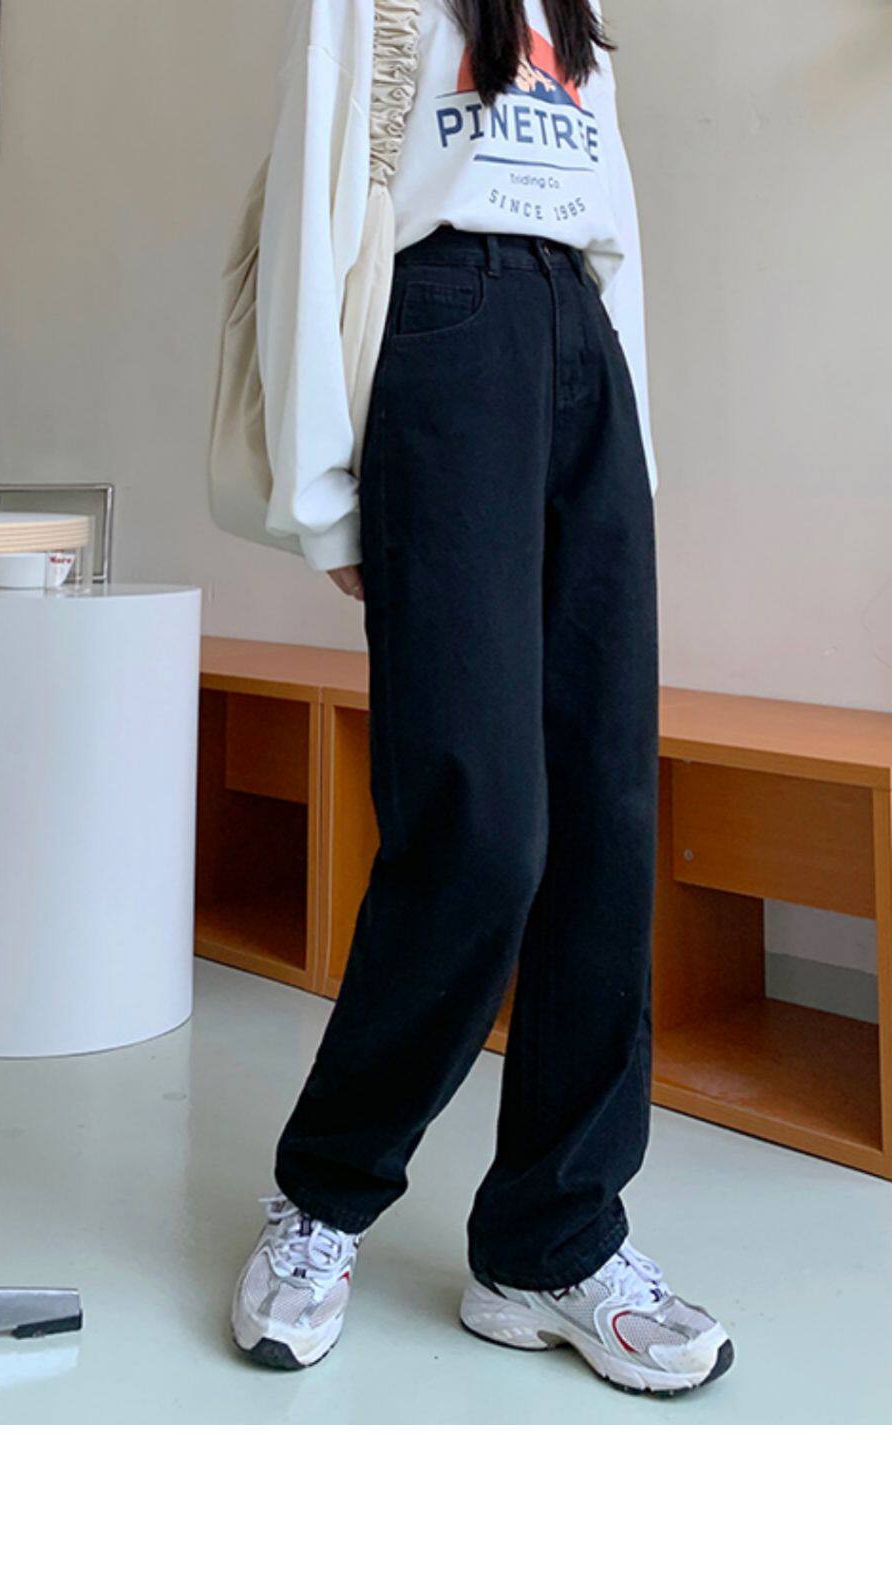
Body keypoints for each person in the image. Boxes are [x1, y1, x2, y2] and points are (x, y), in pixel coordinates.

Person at [231, 0, 732, 1396]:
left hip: (583, 353)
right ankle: (325, 1196)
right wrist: (322, 493)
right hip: (444, 333)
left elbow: (616, 231)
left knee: (605, 819)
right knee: (479, 822)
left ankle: (550, 1241)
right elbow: (317, 198)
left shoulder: (576, 18)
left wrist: (629, 458)